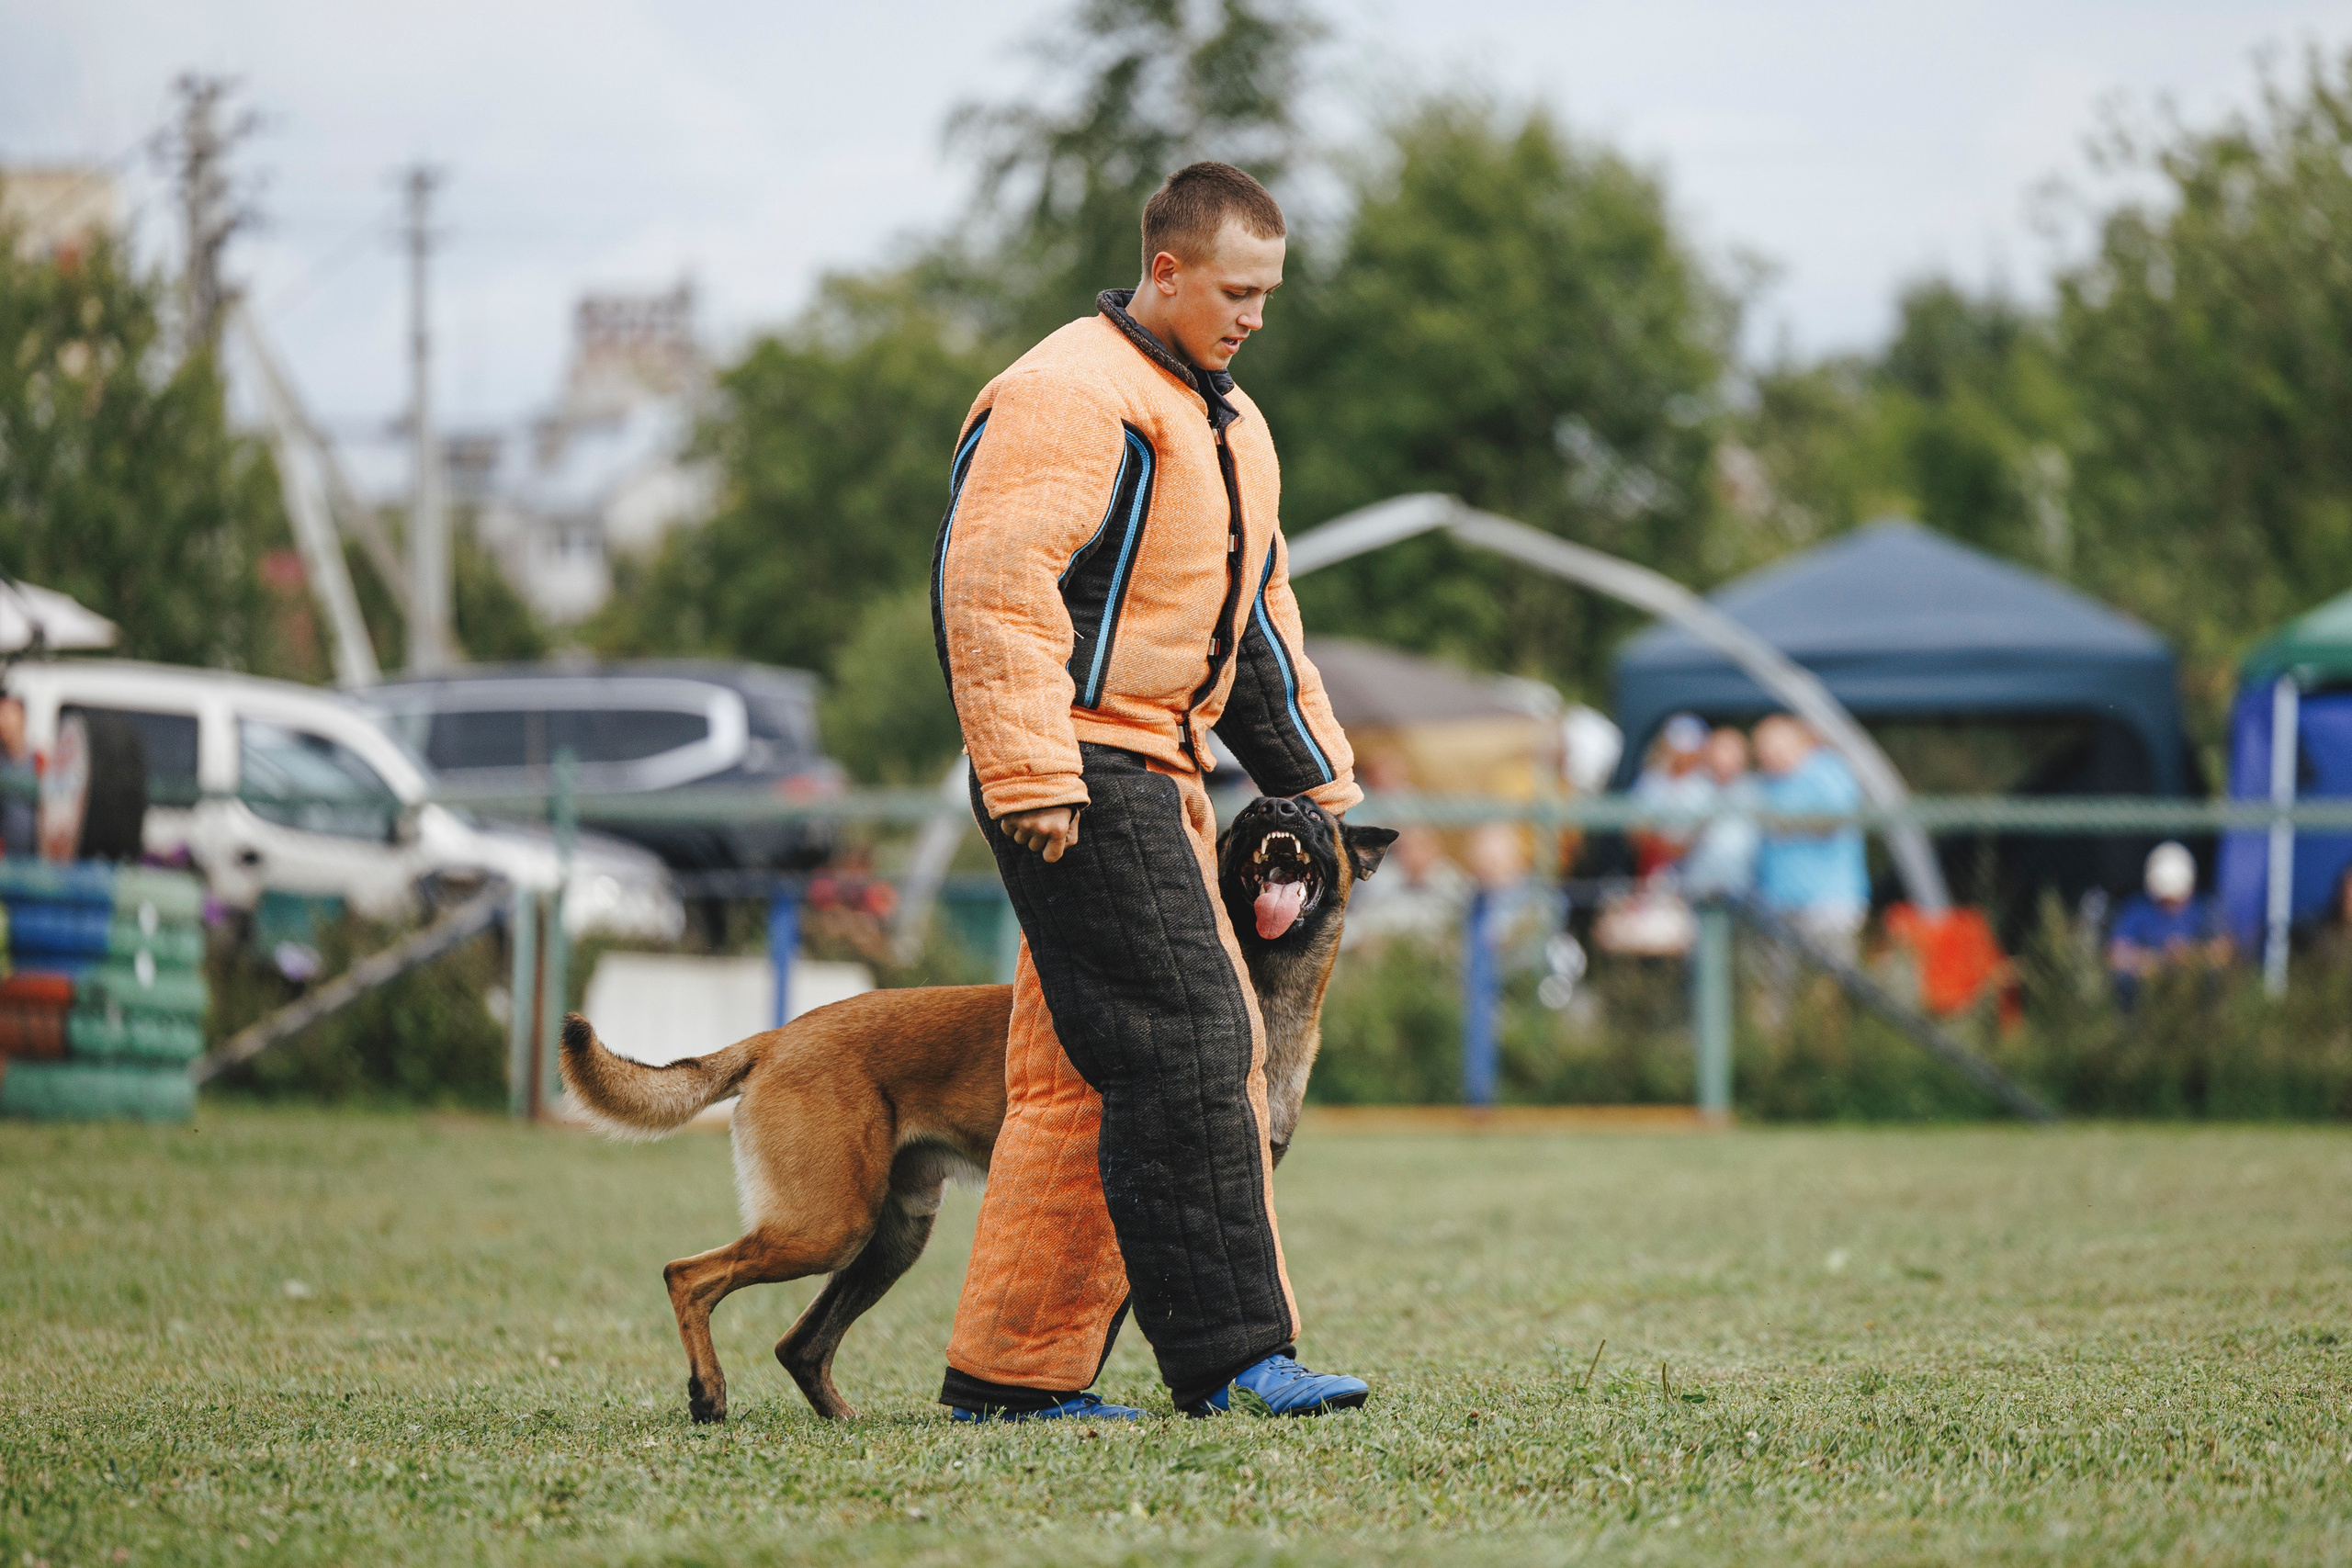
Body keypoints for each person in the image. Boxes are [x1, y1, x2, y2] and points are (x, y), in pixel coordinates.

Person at [932, 162, 1368, 1422]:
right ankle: (1235, 1358)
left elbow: (1257, 624)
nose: (1255, 316)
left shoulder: (1227, 420)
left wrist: (1325, 788)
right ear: (1164, 269)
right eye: (1237, 289)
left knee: (1082, 1076)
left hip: (1157, 765)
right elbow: (994, 585)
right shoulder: (1069, 391)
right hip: (1078, 767)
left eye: (1271, 294)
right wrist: (1029, 768)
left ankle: (1011, 1376)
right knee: (1195, 1041)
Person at [1752, 715, 1869, 964]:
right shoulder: (1767, 782)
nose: (1768, 752)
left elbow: (1835, 821)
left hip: (1829, 902)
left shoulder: (1827, 770)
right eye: (1762, 746)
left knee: (1831, 982)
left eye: (1774, 743)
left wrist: (1789, 824)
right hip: (1778, 902)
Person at [2107, 841, 2230, 1009]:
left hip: (2192, 985)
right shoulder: (2137, 910)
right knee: (2124, 981)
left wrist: (2190, 957)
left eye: (2176, 899)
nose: (2170, 906)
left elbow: (2224, 951)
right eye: (2165, 899)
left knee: (2213, 978)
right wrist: (2153, 962)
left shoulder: (2205, 910)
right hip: (2148, 988)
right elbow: (2115, 954)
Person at [1680, 725, 1759, 897]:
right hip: (1698, 883)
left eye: (1732, 750)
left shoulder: (1755, 790)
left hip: (1743, 885)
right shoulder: (1693, 788)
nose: (1724, 757)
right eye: (1720, 749)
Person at [1629, 713, 1711, 880]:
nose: (1682, 755)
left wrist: (1678, 848)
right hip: (1652, 872)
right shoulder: (1650, 781)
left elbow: (1702, 835)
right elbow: (1635, 831)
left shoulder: (1706, 786)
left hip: (1695, 874)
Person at [0, 692, 34, 859]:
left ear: (22, 717)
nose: (2, 722)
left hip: (35, 863)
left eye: (8, 714)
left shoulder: (39, 762)